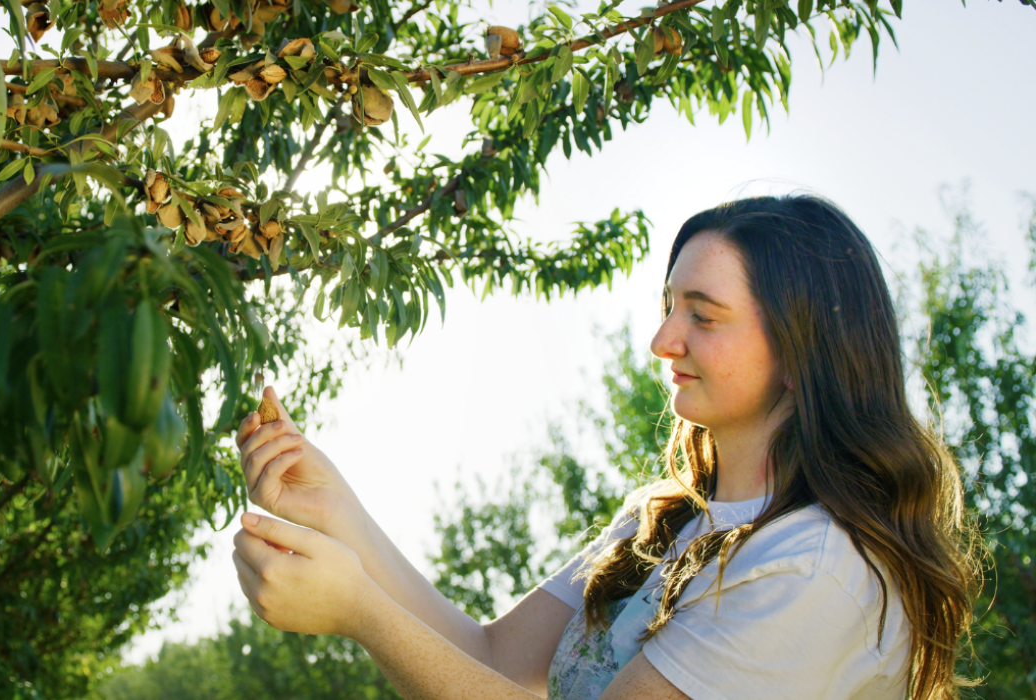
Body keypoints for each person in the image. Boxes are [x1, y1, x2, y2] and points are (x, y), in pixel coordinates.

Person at [230, 195, 980, 699]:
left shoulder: (815, 568)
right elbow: (490, 660)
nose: (662, 340)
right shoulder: (663, 520)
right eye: (666, 307)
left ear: (799, 347)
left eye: (703, 316)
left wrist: (359, 610)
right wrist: (336, 512)